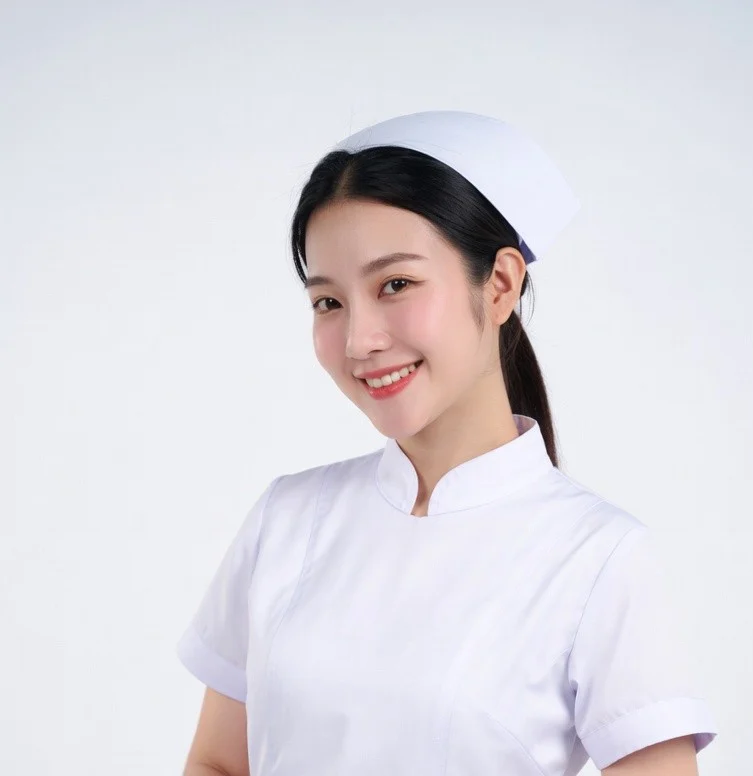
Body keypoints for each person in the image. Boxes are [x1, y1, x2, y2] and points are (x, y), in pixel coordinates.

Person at [176, 110, 718, 776]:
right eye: (328, 302)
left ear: (500, 285)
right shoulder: (286, 520)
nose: (360, 341)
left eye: (396, 285)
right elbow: (219, 763)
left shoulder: (598, 557)